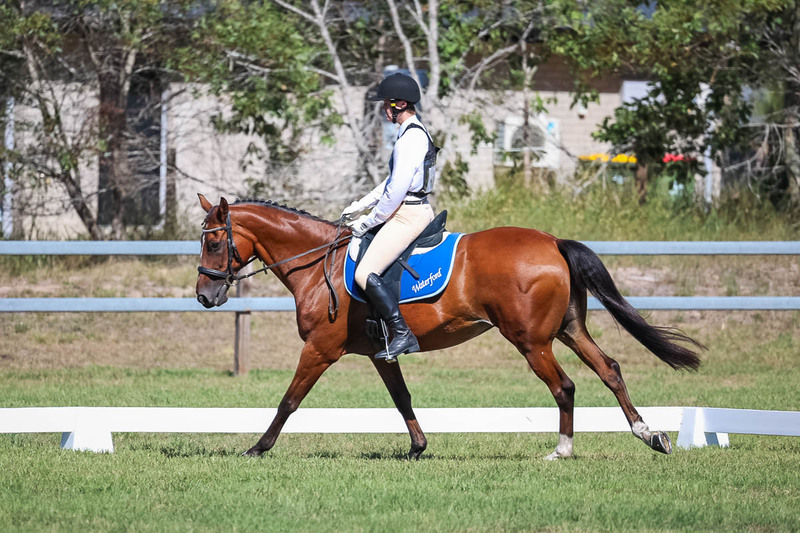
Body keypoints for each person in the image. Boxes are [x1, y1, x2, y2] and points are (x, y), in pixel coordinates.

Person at [342, 72, 438, 362]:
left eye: (387, 104)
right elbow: (392, 181)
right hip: (409, 208)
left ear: (400, 104)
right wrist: (360, 205)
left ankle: (401, 332)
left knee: (363, 273)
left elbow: (395, 193)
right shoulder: (411, 133)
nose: (384, 109)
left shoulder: (410, 139)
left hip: (408, 214)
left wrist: (367, 221)